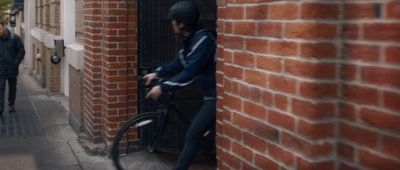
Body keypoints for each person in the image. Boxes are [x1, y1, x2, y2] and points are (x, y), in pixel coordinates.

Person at [143, 1, 217, 169]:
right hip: (208, 92)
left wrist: (163, 87)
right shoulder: (191, 39)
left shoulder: (202, 40)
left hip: (216, 96)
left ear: (182, 23)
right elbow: (180, 62)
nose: (171, 23)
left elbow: (190, 72)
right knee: (196, 129)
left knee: (193, 134)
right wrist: (157, 73)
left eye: (173, 20)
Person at [0, 21, 25, 117]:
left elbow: (21, 51)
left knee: (12, 88)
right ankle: (0, 109)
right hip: (1, 69)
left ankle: (11, 104)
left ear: (4, 28)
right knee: (0, 88)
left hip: (12, 68)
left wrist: (16, 63)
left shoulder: (14, 38)